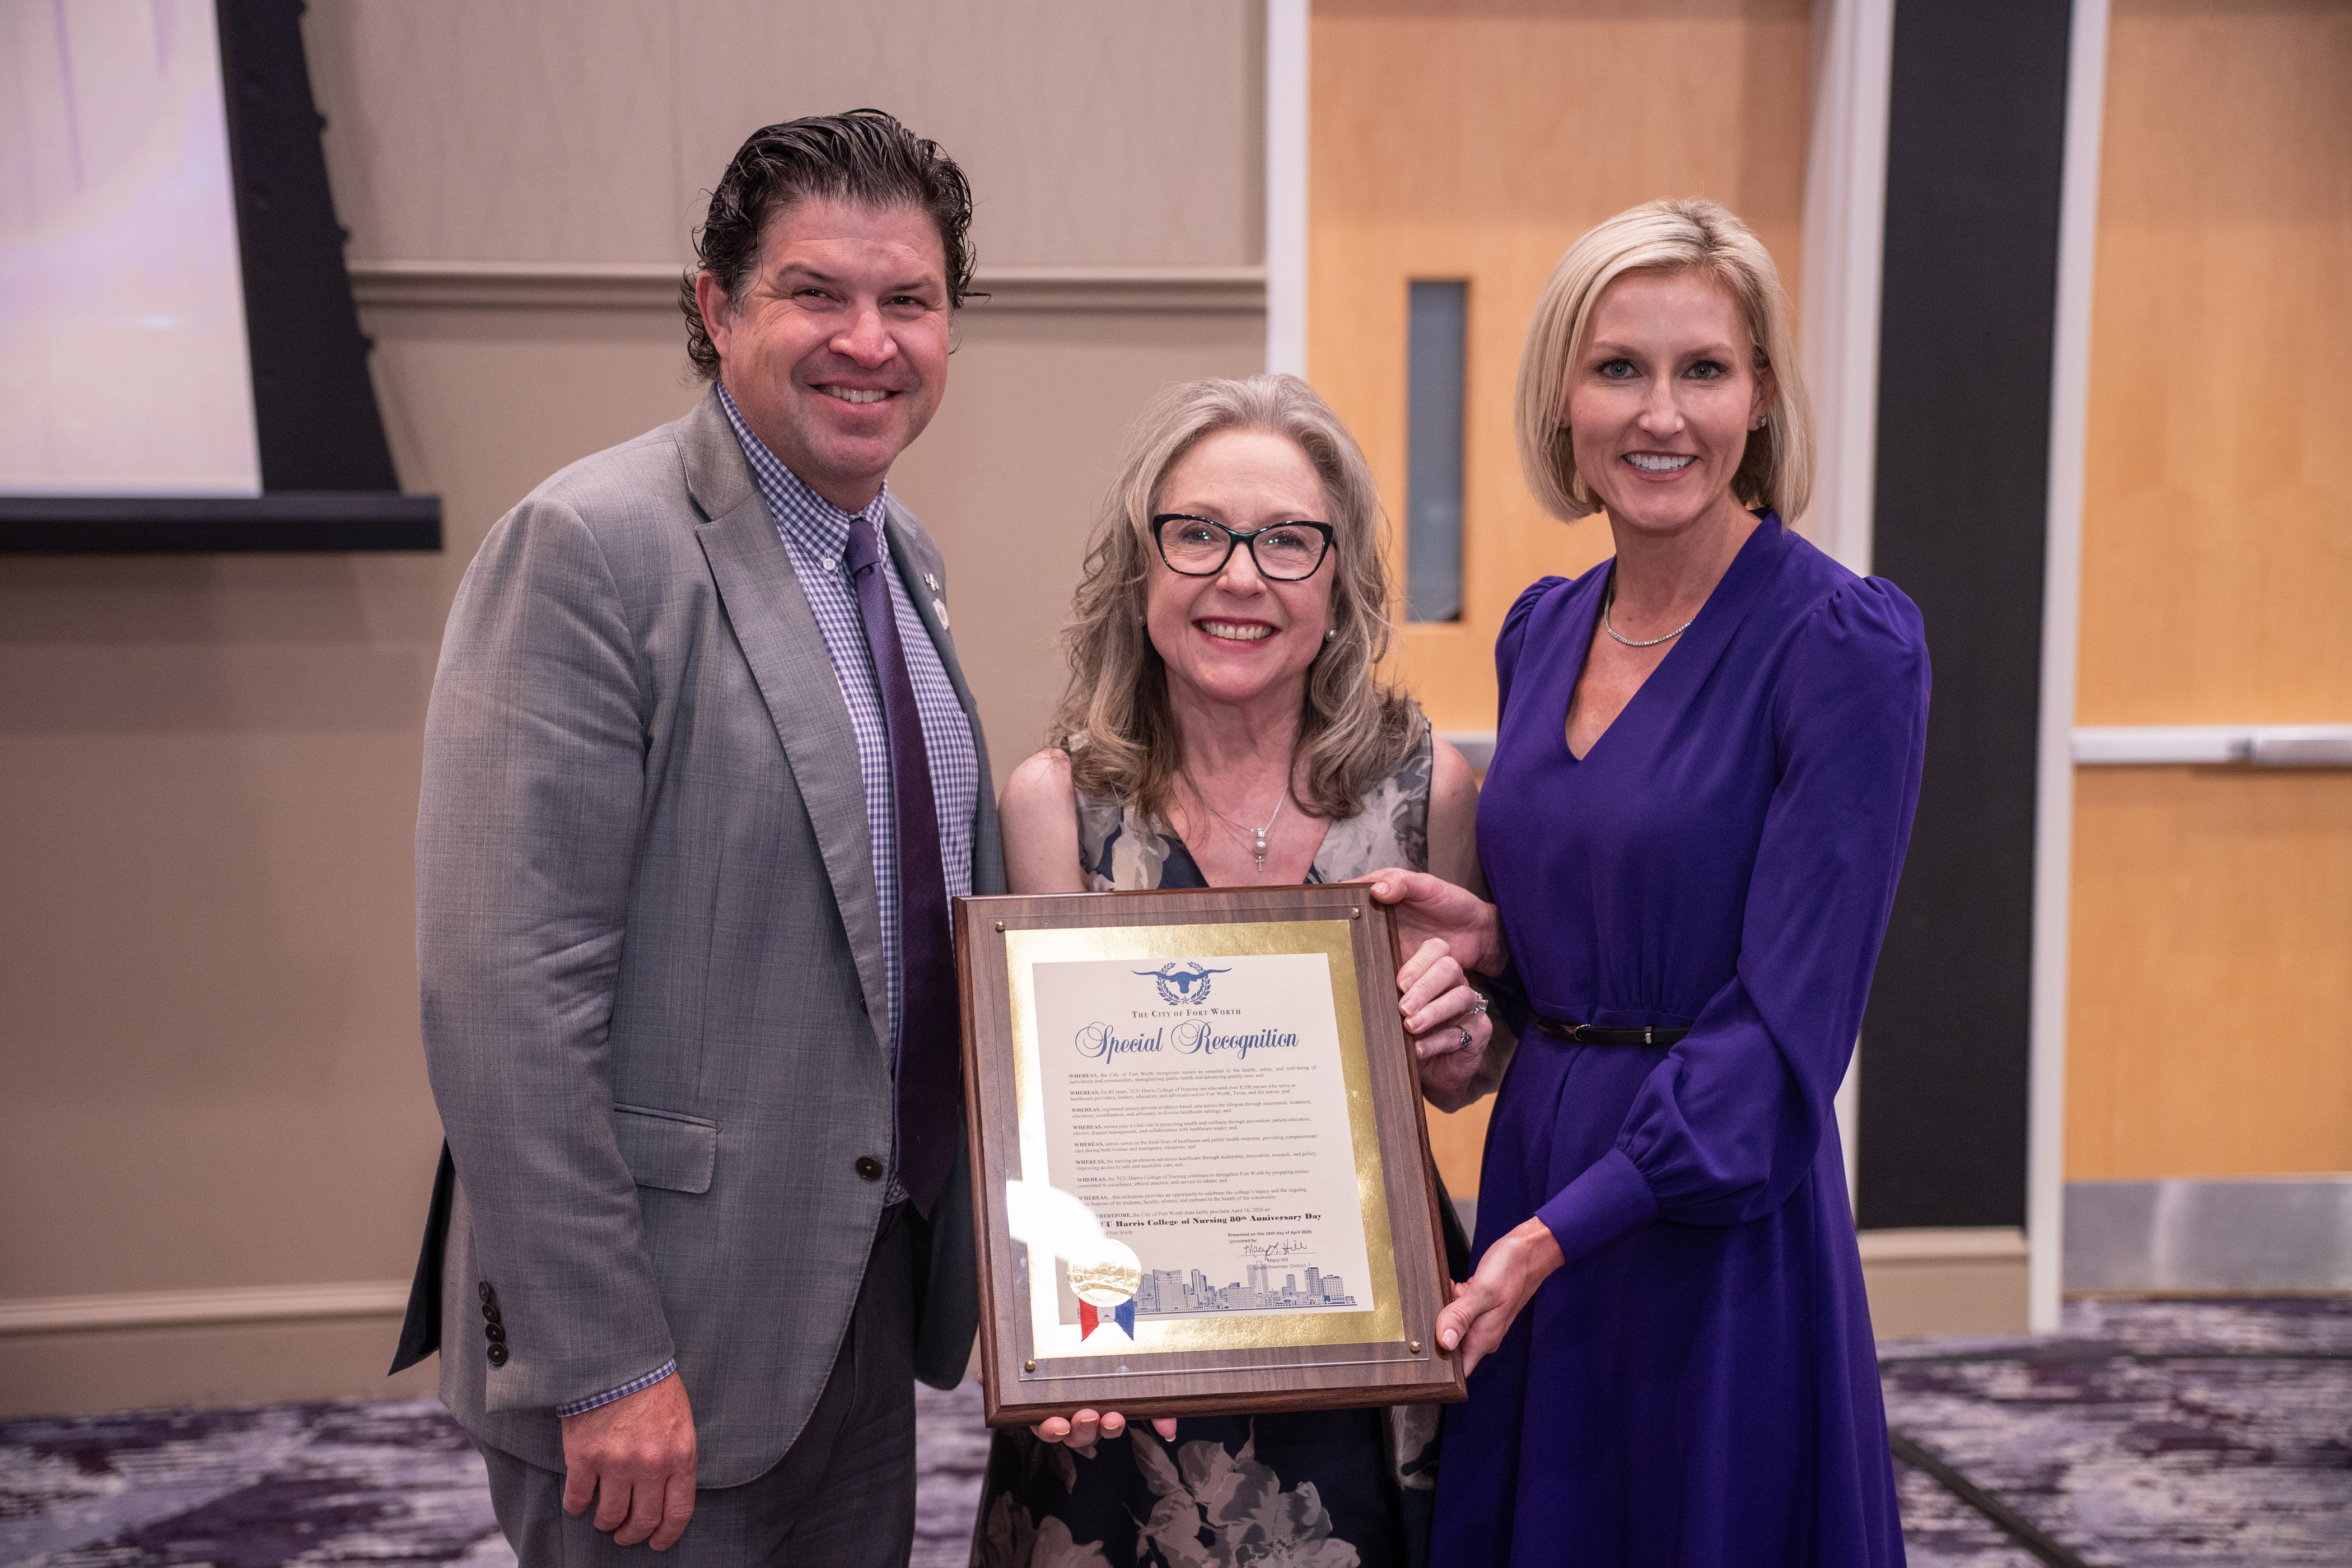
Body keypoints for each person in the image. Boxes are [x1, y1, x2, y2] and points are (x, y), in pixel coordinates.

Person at [390, 110, 998, 1564]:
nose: (870, 339)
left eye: (908, 301)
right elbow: (501, 996)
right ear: (717, 311)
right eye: (817, 294)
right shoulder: (592, 550)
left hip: (855, 1307)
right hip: (659, 1337)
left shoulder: (895, 557)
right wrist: (605, 1360)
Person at [1373, 198, 1930, 1566]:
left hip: (1710, 1214)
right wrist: (1500, 942)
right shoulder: (1544, 627)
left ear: (1763, 399)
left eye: (1705, 370)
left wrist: (1560, 1236)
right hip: (1539, 1175)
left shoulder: (1845, 645)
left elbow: (1782, 1034)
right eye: (1619, 367)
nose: (1661, 413)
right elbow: (1614, 922)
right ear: (1563, 397)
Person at [970, 375, 1499, 1568]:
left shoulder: (1429, 792)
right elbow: (1038, 1132)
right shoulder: (1057, 803)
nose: (1241, 576)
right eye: (1198, 533)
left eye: (1287, 541)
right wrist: (1048, 1326)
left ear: (1339, 578)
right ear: (1141, 564)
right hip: (1126, 1366)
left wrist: (1461, 1040)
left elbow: (1470, 1070)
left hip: (1360, 1348)